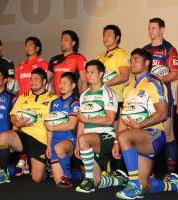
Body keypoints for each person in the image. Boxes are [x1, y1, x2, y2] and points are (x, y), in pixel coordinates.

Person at [113, 48, 178, 199]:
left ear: (147, 63)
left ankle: (133, 185)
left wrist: (139, 125)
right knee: (146, 186)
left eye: (136, 59)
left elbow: (162, 113)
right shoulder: (128, 88)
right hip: (135, 137)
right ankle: (173, 185)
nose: (132, 63)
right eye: (131, 60)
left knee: (125, 136)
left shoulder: (155, 82)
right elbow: (124, 118)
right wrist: (117, 141)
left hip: (154, 135)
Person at [0, 68, 57, 184]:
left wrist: (51, 144)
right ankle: (3, 172)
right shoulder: (23, 97)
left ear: (44, 81)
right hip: (24, 136)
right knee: (2, 136)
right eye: (31, 79)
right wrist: (17, 123)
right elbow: (12, 115)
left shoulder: (54, 99)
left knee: (37, 178)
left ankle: (47, 170)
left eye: (36, 79)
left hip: (41, 141)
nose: (32, 81)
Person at [75, 60, 127, 193]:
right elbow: (81, 122)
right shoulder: (84, 95)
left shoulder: (108, 93)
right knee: (97, 182)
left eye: (92, 72)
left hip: (106, 137)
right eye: (87, 72)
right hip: (88, 139)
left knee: (84, 139)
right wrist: (77, 144)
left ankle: (88, 179)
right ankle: (118, 180)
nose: (88, 75)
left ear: (101, 74)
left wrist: (85, 120)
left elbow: (110, 120)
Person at [143, 18, 178, 176]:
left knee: (168, 135)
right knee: (148, 136)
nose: (151, 31)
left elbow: (175, 73)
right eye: (149, 28)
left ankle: (170, 174)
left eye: (153, 28)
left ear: (162, 30)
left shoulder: (169, 49)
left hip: (165, 98)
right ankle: (148, 173)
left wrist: (157, 79)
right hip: (146, 101)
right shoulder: (144, 50)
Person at [96, 24, 130, 173]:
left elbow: (124, 75)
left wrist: (103, 84)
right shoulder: (99, 56)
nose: (105, 38)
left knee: (117, 135)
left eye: (109, 34)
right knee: (104, 135)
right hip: (101, 102)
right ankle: (105, 169)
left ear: (117, 37)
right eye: (104, 35)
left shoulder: (121, 54)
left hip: (116, 100)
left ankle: (119, 171)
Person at [14, 36, 49, 175]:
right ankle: (23, 158)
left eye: (30, 45)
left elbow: (47, 83)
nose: (27, 47)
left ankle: (41, 158)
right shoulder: (21, 65)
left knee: (34, 129)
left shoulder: (43, 63)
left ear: (37, 48)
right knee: (16, 126)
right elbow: (15, 87)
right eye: (26, 45)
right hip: (23, 102)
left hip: (38, 102)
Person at [45, 72, 79, 187]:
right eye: (60, 82)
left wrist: (52, 127)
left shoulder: (75, 102)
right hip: (54, 143)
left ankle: (68, 175)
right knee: (59, 182)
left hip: (69, 140)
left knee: (59, 147)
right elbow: (49, 125)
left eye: (65, 83)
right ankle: (77, 173)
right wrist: (48, 145)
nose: (61, 85)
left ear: (73, 85)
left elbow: (71, 125)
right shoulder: (54, 102)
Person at [48, 30, 87, 97]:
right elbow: (46, 80)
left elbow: (84, 81)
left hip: (72, 99)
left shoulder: (79, 58)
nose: (62, 43)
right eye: (61, 40)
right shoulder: (54, 59)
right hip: (56, 99)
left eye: (66, 40)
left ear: (73, 43)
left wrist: (84, 99)